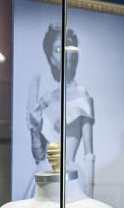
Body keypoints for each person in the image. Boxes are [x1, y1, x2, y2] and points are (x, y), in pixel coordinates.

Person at [27, 24, 96, 195]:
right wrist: (34, 130)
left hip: (70, 176)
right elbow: (39, 156)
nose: (65, 56)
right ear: (50, 58)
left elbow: (89, 153)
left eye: (68, 49)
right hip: (43, 175)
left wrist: (91, 195)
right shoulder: (46, 99)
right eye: (58, 50)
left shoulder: (82, 95)